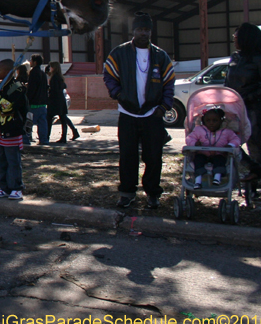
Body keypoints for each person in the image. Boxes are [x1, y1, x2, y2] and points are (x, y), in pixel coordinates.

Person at [103, 12, 175, 209]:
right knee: (127, 156)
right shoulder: (119, 53)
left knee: (153, 156)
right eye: (139, 29)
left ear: (151, 32)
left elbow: (169, 82)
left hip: (153, 114)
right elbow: (109, 75)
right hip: (128, 113)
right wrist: (118, 94)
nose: (143, 33)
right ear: (133, 31)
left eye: (146, 30)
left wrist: (163, 107)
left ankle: (153, 193)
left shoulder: (160, 56)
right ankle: (127, 193)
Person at [224, 23, 261, 174]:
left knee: (254, 144)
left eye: (236, 37)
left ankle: (253, 184)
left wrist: (251, 96)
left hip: (255, 107)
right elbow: (229, 80)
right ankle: (252, 170)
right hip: (234, 106)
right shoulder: (235, 57)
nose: (234, 40)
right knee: (227, 139)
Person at [0, 59, 30, 200]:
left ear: (8, 71)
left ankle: (16, 187)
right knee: (0, 160)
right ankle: (3, 187)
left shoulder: (17, 88)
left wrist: (1, 104)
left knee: (13, 161)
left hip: (12, 129)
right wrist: (0, 104)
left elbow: (14, 105)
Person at [185, 108, 240, 188]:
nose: (211, 123)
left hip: (218, 154)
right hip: (202, 154)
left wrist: (230, 145)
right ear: (203, 121)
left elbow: (236, 139)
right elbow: (190, 138)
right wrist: (195, 144)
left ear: (221, 121)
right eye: (208, 120)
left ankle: (217, 177)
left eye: (215, 121)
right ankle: (198, 180)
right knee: (198, 160)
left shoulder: (226, 132)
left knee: (220, 161)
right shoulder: (199, 130)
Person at [46, 62, 80, 143]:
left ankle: (47, 136)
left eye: (51, 67)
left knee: (49, 118)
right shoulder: (60, 77)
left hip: (55, 101)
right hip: (61, 100)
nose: (50, 68)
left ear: (54, 67)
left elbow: (54, 90)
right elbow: (63, 86)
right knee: (63, 118)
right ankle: (69, 134)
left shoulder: (54, 77)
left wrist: (48, 90)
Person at [26, 55, 49, 145]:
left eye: (31, 61)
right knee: (42, 124)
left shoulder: (33, 73)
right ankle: (44, 140)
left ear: (35, 62)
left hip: (34, 104)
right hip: (42, 104)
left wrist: (28, 99)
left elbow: (32, 89)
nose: (30, 62)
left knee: (28, 123)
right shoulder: (43, 74)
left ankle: (26, 140)